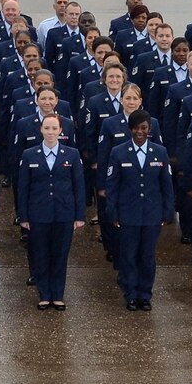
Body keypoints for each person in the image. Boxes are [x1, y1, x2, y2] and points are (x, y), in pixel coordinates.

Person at [102, 110, 174, 310]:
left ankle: (145, 294)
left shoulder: (160, 152)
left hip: (152, 214)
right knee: (128, 255)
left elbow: (166, 185)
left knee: (147, 256)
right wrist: (112, 212)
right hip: (127, 214)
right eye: (136, 128)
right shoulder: (118, 152)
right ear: (130, 129)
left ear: (149, 129)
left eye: (144, 128)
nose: (140, 132)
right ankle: (130, 294)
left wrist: (168, 211)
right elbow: (112, 186)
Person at [15, 113, 85, 310]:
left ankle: (58, 294)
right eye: (47, 128)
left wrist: (79, 215)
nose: (51, 132)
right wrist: (24, 216)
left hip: (64, 213)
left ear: (61, 130)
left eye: (54, 128)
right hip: (38, 214)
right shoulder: (29, 155)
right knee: (41, 254)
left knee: (60, 255)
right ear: (41, 130)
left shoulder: (72, 154)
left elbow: (79, 186)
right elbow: (23, 187)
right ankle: (44, 294)